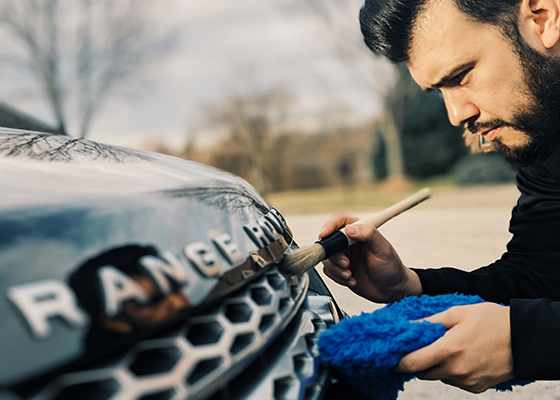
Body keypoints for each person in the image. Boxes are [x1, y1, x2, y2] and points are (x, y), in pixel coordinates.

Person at [321, 0, 560, 394]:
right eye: (439, 91)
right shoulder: (545, 138)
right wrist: (411, 286)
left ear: (542, 16)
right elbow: (542, 273)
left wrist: (531, 340)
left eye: (461, 76)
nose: (456, 115)